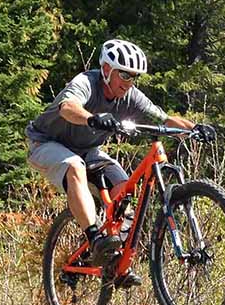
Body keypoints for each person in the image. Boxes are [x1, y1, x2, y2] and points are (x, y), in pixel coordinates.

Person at [26, 39, 214, 269]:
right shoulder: (86, 82)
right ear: (106, 70)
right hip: (46, 143)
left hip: (88, 151)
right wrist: (91, 118)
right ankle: (95, 239)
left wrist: (194, 129)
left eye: (134, 77)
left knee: (124, 190)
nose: (129, 83)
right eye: (124, 75)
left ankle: (115, 261)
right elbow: (68, 107)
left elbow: (163, 119)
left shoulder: (131, 95)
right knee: (75, 166)